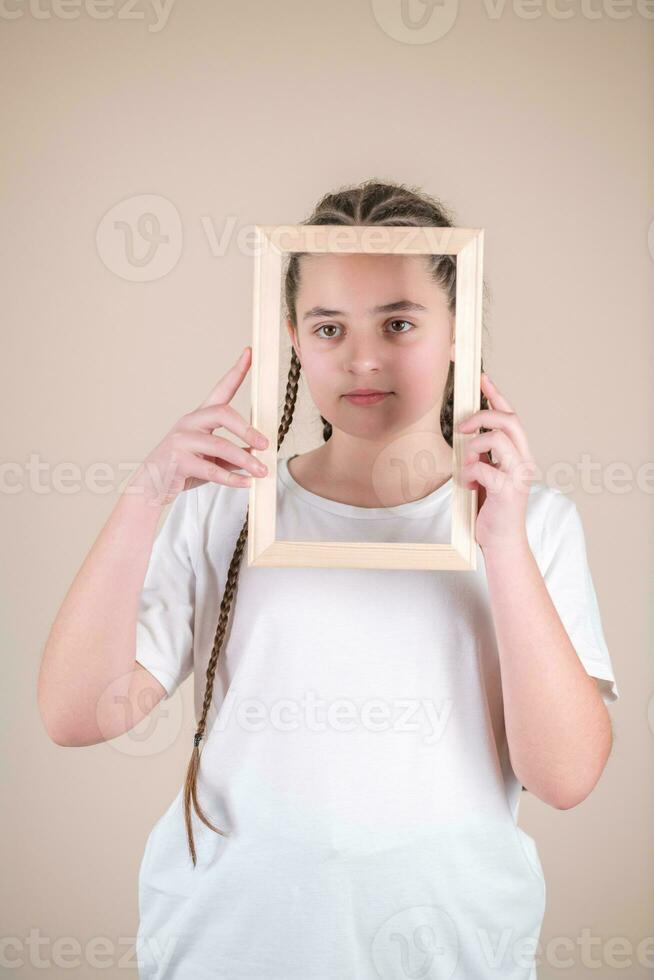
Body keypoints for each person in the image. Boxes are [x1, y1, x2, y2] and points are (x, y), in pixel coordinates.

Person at [38, 180, 620, 980]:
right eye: (329, 327)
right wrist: (149, 494)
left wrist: (506, 547)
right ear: (292, 340)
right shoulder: (223, 512)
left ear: (461, 331)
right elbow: (76, 714)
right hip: (226, 946)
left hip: (449, 952)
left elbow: (565, 779)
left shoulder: (532, 523)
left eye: (400, 322)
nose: (363, 357)